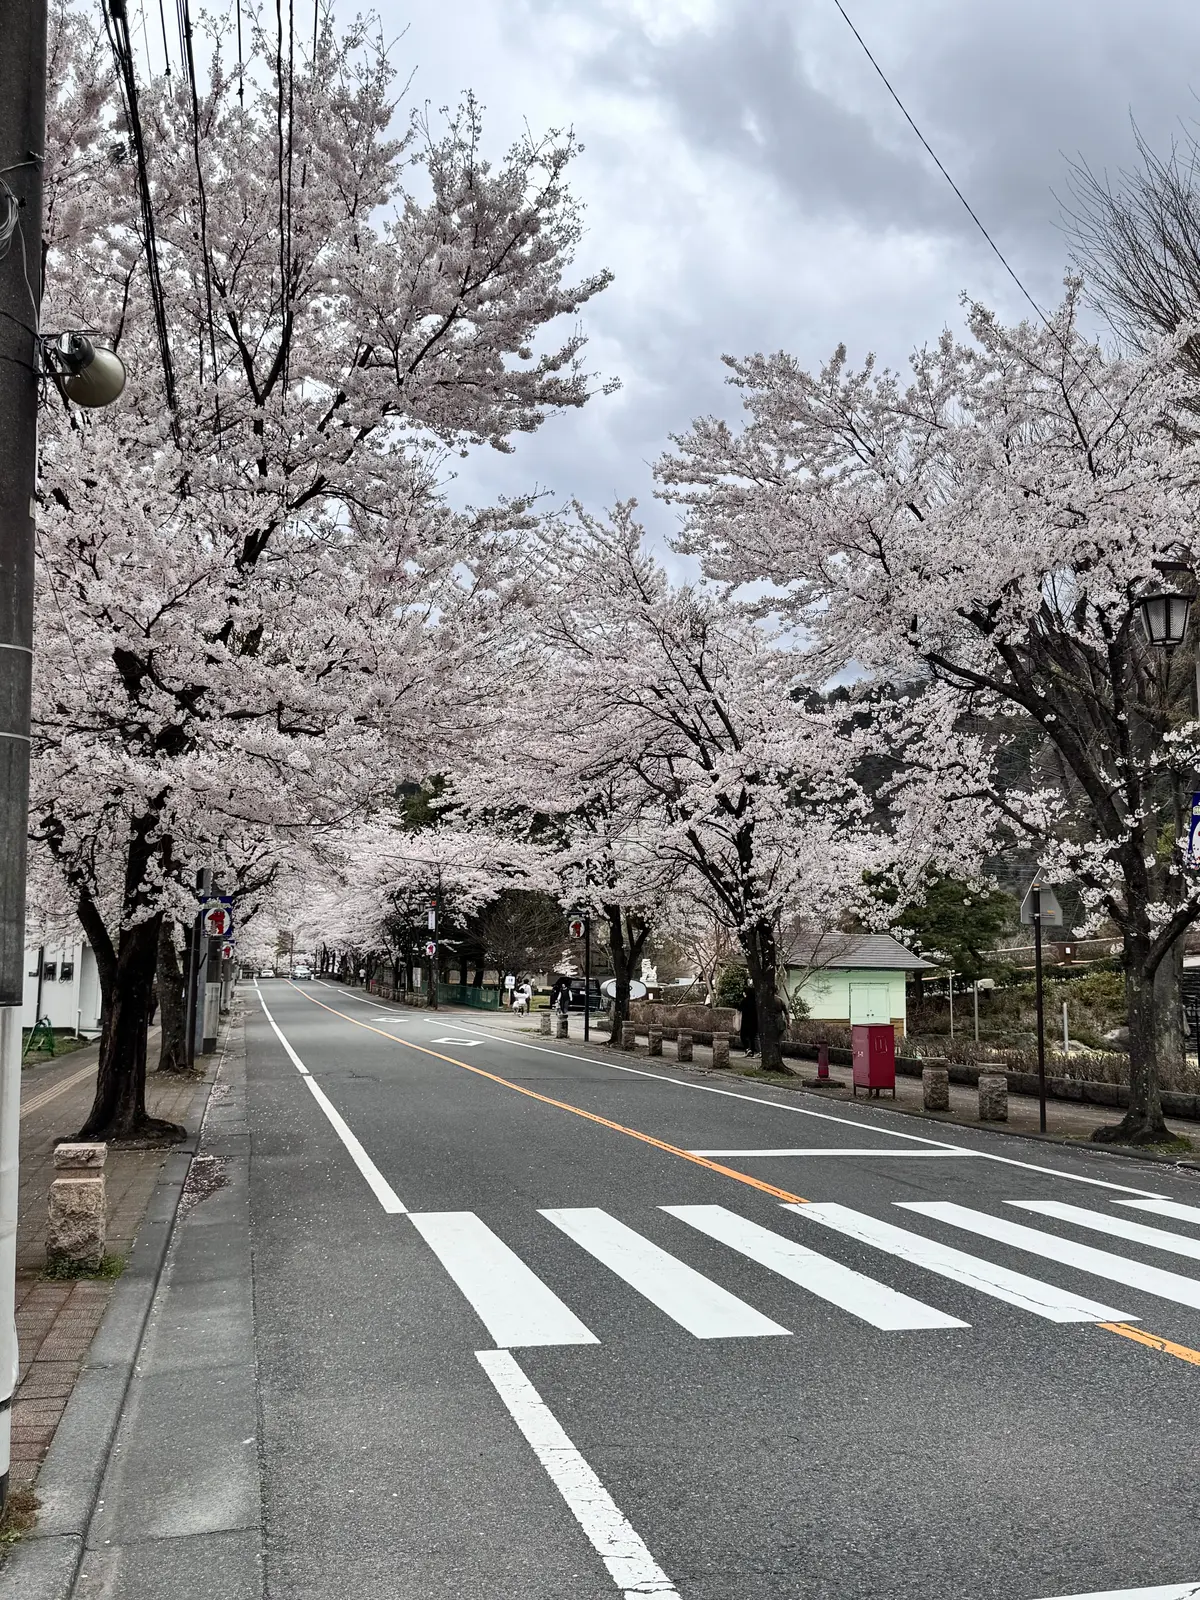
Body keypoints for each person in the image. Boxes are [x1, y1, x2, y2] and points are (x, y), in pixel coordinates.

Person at [740, 982, 758, 1056]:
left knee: (743, 1036)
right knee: (752, 1037)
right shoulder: (756, 1001)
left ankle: (747, 1049)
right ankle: (752, 1051)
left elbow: (739, 1009)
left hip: (746, 1021)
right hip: (755, 1021)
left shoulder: (745, 1001)